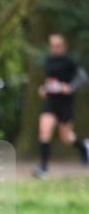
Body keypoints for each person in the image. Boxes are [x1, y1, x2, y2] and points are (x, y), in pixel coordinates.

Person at [33, 33, 89, 178]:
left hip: (65, 104)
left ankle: (84, 147)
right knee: (44, 131)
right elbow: (50, 80)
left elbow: (83, 77)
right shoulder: (48, 61)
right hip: (51, 102)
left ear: (64, 46)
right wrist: (44, 89)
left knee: (66, 137)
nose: (54, 48)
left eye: (57, 46)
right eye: (52, 45)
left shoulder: (69, 61)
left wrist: (71, 87)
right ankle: (43, 168)